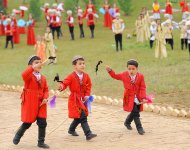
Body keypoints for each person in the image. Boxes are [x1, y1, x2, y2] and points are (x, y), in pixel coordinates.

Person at [13, 55, 49, 149]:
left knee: (42, 122)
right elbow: (23, 75)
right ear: (30, 65)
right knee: (27, 123)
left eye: (40, 62)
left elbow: (46, 90)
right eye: (36, 62)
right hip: (31, 102)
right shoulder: (28, 77)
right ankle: (18, 135)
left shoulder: (43, 78)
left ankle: (41, 142)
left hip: (41, 103)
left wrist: (45, 98)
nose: (39, 64)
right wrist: (31, 68)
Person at [58, 55, 97, 140]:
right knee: (82, 116)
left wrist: (87, 94)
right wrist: (62, 86)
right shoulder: (71, 76)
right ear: (75, 66)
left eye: (83, 63)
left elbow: (88, 86)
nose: (82, 65)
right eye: (80, 64)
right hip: (75, 100)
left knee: (78, 117)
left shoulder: (86, 76)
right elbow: (65, 83)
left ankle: (71, 129)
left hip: (83, 99)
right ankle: (88, 134)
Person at [106, 59, 147, 135]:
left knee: (135, 111)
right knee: (135, 113)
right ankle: (139, 128)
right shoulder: (124, 75)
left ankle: (127, 122)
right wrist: (110, 71)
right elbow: (115, 76)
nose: (131, 71)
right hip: (129, 97)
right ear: (127, 69)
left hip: (138, 97)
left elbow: (143, 87)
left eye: (133, 69)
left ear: (137, 69)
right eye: (129, 69)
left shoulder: (141, 76)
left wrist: (143, 97)